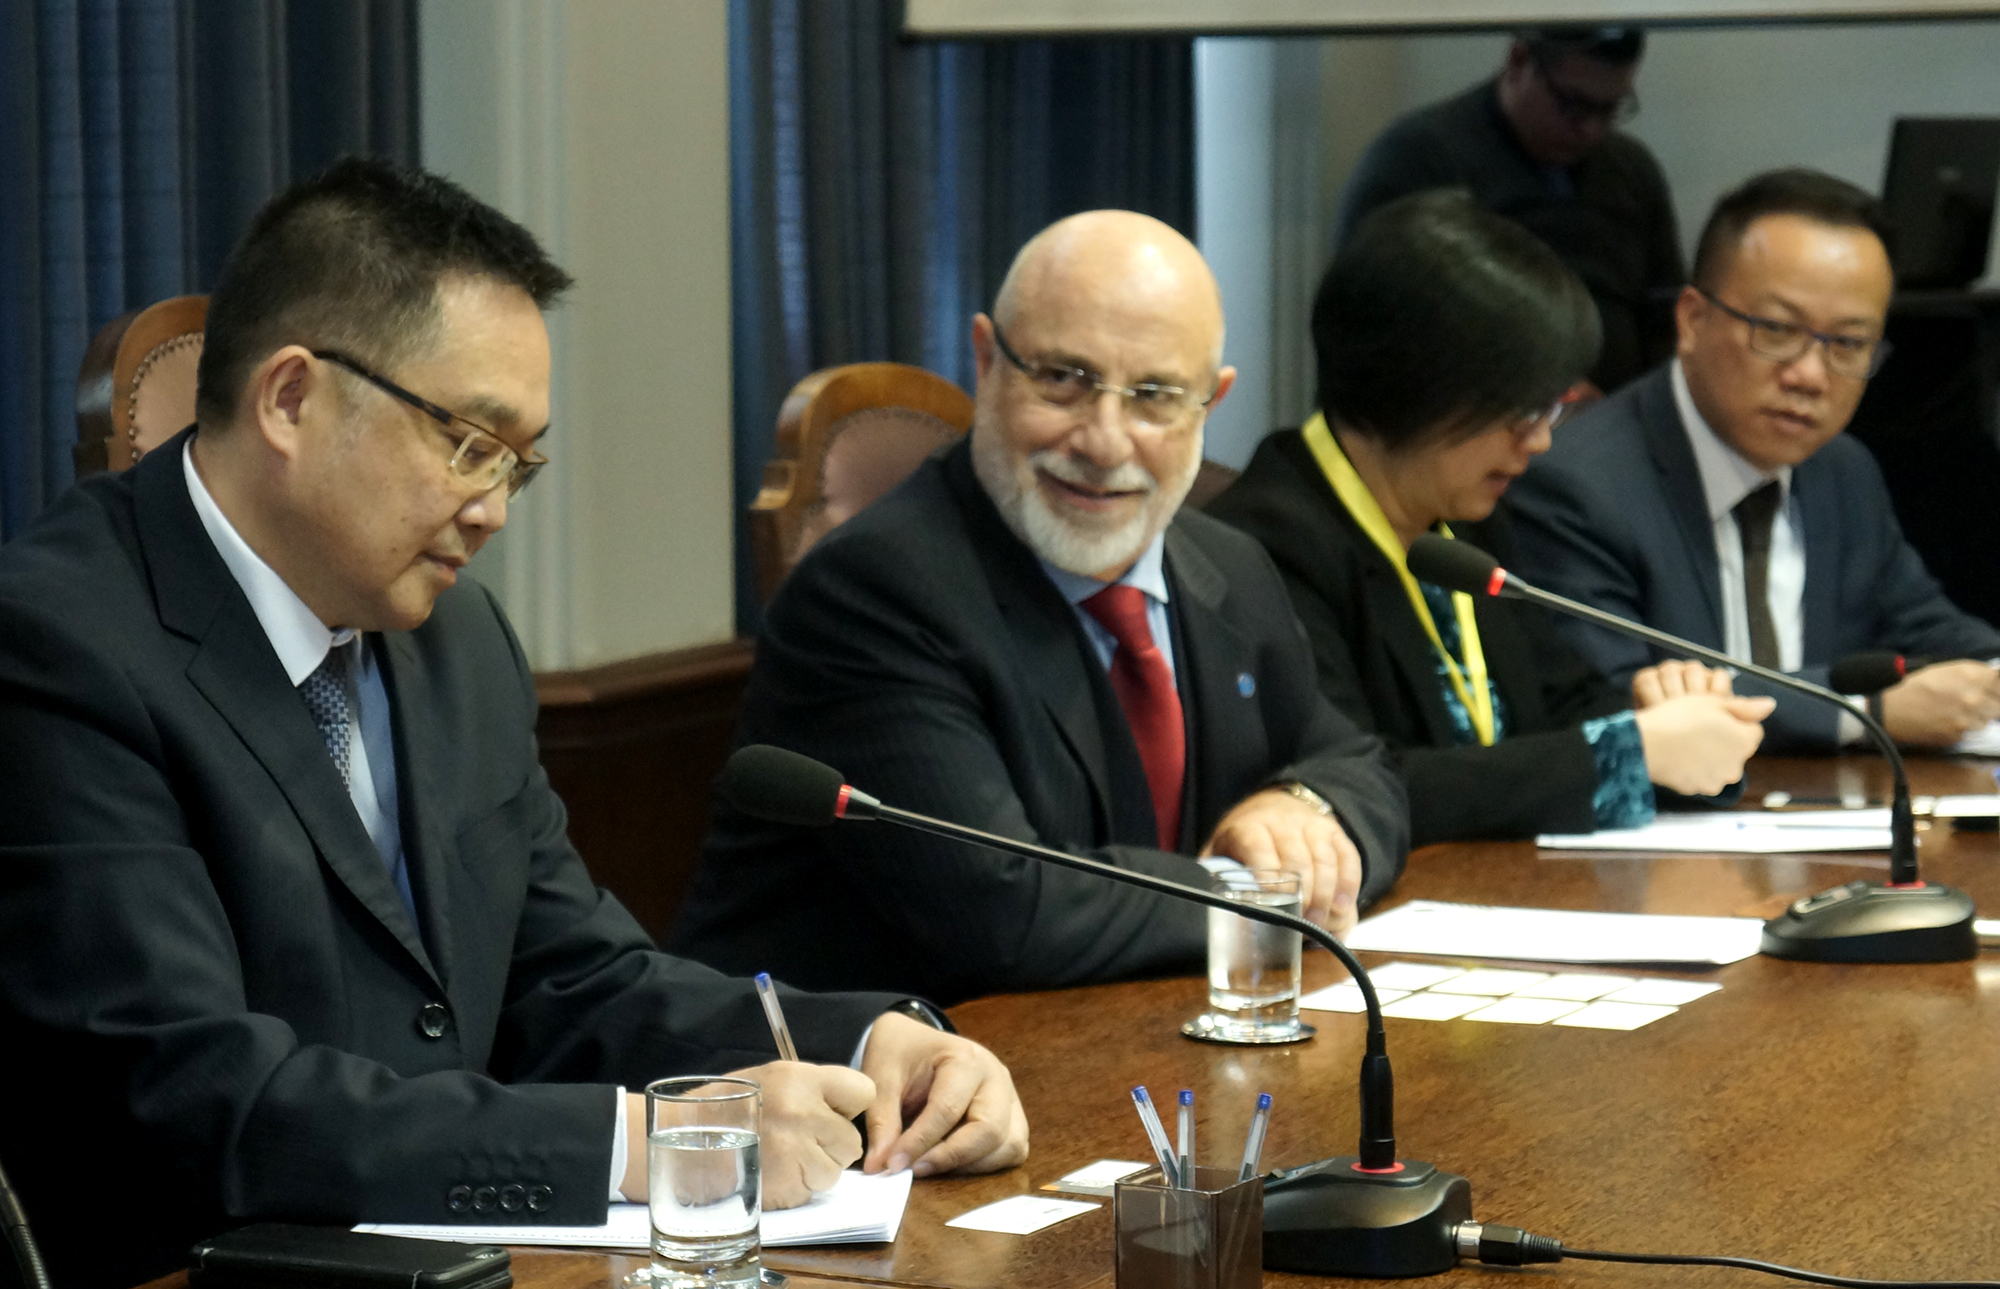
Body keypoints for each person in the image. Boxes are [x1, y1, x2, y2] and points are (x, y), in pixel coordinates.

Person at [0, 158, 1026, 1289]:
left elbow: (571, 978)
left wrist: (871, 1045)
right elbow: (198, 1097)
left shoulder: (455, 638)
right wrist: (650, 1143)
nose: (492, 509)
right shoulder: (57, 645)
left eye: (515, 464)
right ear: (290, 398)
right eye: (468, 443)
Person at [670, 211, 1409, 1006]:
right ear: (987, 360)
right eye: (1063, 378)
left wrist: (1300, 808)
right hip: (849, 1068)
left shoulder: (1229, 565)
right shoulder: (871, 591)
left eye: (1155, 396)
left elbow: (1361, 765)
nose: (1104, 441)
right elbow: (1002, 912)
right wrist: (1263, 888)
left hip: (1136, 1040)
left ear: (1210, 402)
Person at [1208, 192, 1769, 848]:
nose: (1541, 440)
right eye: (1519, 410)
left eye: (1550, 408)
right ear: (1411, 384)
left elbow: (1561, 705)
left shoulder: (1464, 522)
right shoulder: (1263, 545)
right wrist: (1629, 751)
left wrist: (1660, 714)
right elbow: (1354, 783)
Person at [1507, 168, 2000, 754]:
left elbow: (1928, 630)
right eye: (1778, 329)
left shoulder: (1843, 471)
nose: (1809, 376)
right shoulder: (1577, 485)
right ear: (1692, 321)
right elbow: (1608, 701)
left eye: (1848, 343)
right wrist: (1864, 711)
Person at [1333, 26, 1681, 394]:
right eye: (1573, 105)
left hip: (1615, 415)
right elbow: (1376, 333)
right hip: (1469, 410)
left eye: (1610, 109)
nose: (1590, 130)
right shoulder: (1417, 162)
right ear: (1518, 61)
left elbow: (1666, 320)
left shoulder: (1632, 170)